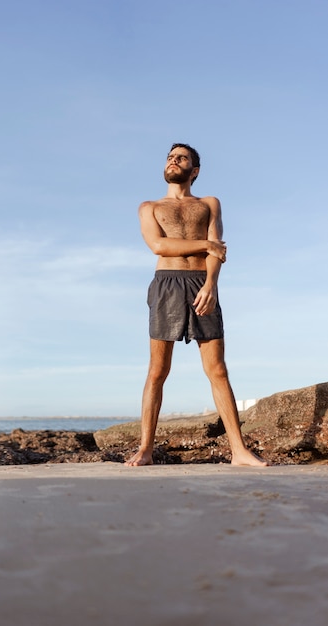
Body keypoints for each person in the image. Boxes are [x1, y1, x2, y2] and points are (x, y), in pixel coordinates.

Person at [125, 143, 267, 467]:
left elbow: (218, 252)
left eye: (182, 157)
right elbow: (158, 245)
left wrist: (211, 285)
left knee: (217, 369)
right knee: (158, 370)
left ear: (195, 170)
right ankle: (145, 449)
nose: (174, 160)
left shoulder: (209, 203)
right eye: (170, 157)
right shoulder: (148, 207)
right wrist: (206, 243)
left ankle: (239, 451)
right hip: (167, 286)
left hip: (203, 284)